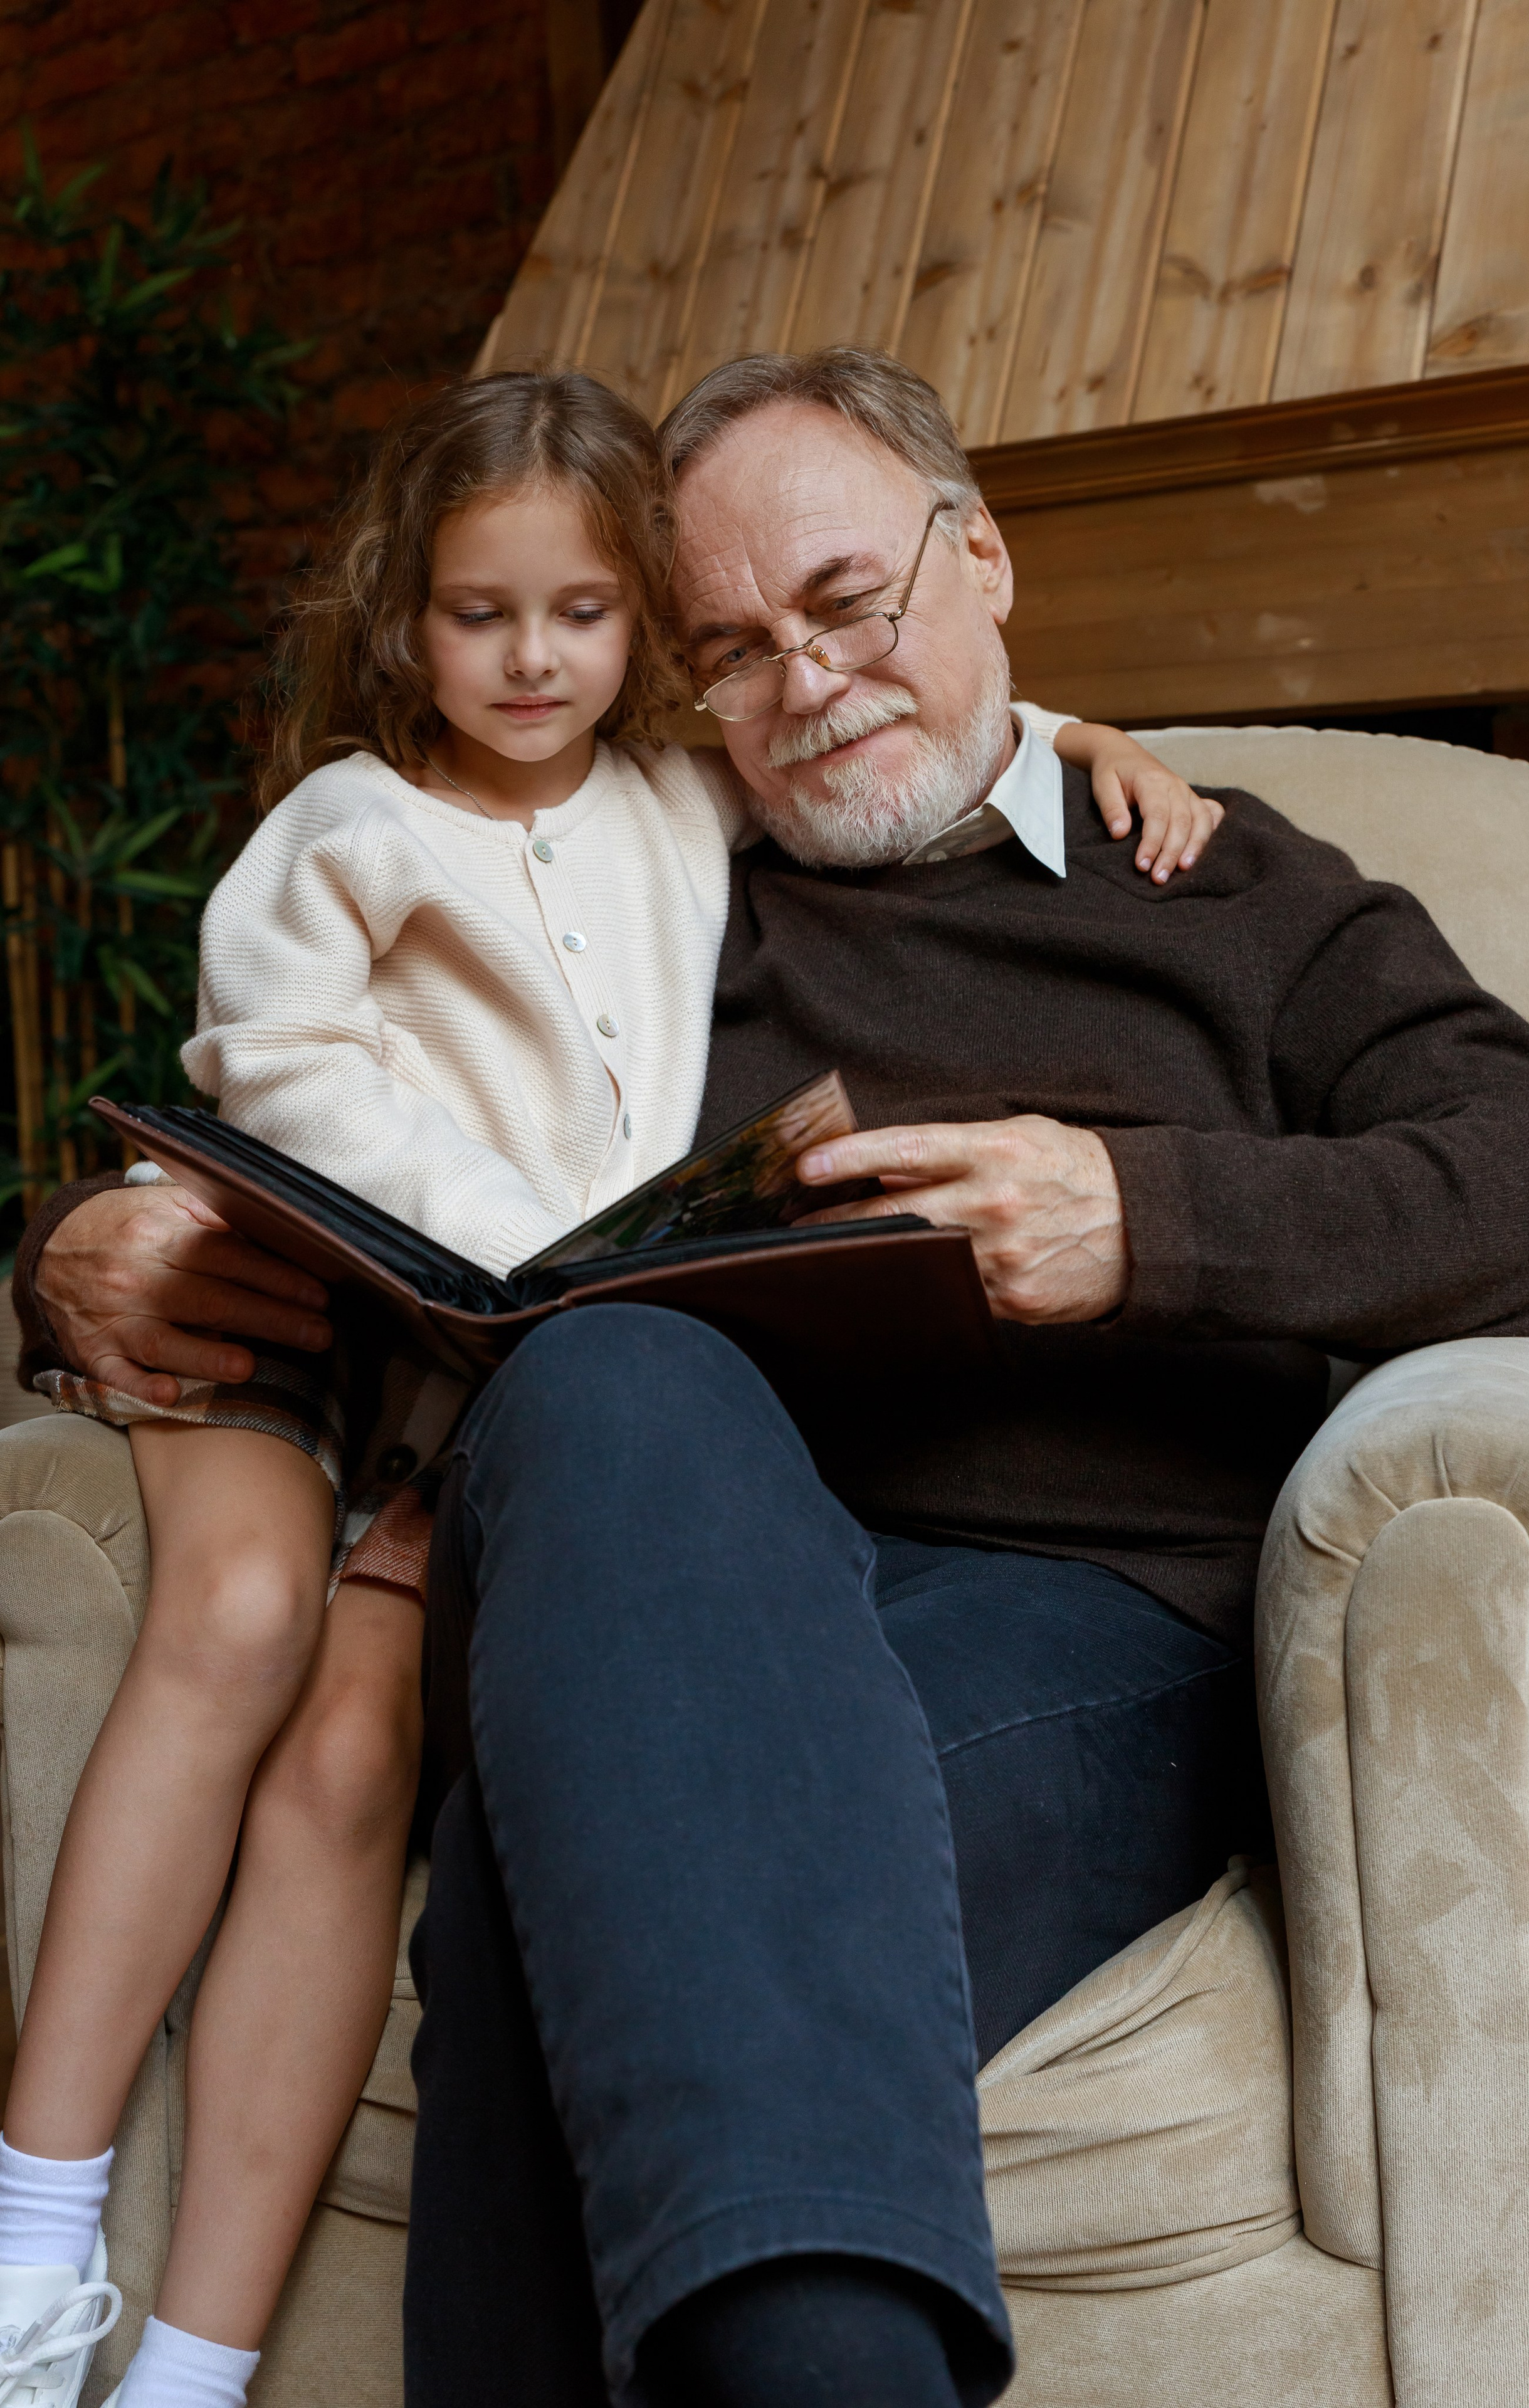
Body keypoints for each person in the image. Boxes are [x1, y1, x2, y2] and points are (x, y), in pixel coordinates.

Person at [0, 362, 1207, 2408]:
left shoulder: (683, 797)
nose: (535, 658)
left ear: (643, 623)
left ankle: (191, 2363)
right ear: (408, 620)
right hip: (332, 1311)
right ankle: (37, 2224)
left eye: (583, 613)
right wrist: (515, 1255)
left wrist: (1077, 737)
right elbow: (275, 1070)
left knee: (356, 1754)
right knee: (241, 1621)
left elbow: (900, 738)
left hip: (519, 1395)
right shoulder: (346, 831)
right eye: (484, 615)